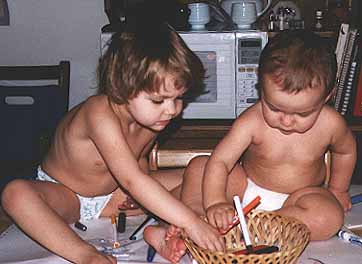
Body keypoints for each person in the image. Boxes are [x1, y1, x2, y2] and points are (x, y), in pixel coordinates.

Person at [1, 22, 225, 264]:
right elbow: (132, 179)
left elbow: (137, 163)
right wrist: (189, 221)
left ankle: (164, 232)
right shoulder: (98, 113)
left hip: (114, 197)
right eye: (159, 100)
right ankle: (85, 255)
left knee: (206, 168)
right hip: (66, 197)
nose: (172, 110)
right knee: (15, 194)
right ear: (123, 87)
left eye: (178, 98)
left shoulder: (152, 118)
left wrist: (136, 194)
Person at [145, 30, 357, 256]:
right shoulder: (252, 121)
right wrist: (216, 201)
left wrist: (338, 189)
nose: (285, 121)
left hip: (299, 199)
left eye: (302, 113)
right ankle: (199, 217)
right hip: (244, 190)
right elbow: (221, 162)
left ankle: (256, 227)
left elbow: (345, 151)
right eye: (274, 107)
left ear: (327, 96)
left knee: (329, 216)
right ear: (260, 86)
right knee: (200, 166)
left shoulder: (331, 123)